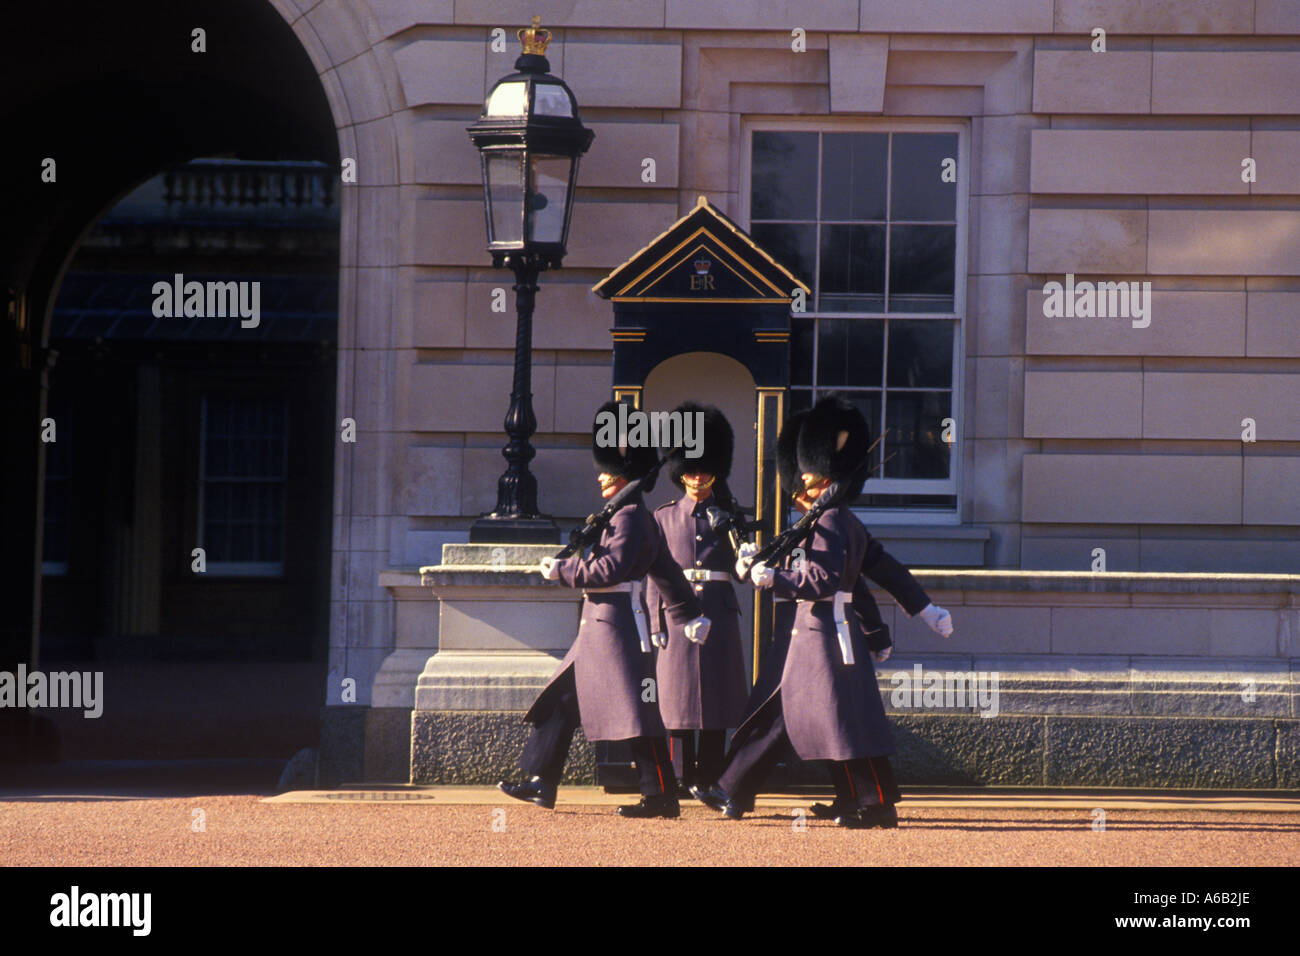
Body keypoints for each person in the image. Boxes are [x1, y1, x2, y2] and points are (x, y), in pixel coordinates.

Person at [699, 395, 952, 828]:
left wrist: (772, 579)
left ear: (825, 478)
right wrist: (754, 563)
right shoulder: (831, 521)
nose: (801, 489)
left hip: (823, 635)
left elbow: (825, 581)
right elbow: (874, 571)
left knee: (832, 720)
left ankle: (870, 803)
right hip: (819, 634)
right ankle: (840, 797)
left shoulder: (830, 522)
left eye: (809, 479)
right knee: (826, 719)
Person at [498, 401, 711, 819]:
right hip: (598, 630)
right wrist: (689, 612)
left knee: (636, 713)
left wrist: (563, 570)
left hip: (612, 628)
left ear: (625, 473)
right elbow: (666, 571)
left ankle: (662, 795)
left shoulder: (630, 518)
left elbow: (612, 569)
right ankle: (543, 781)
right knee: (562, 703)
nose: (600, 476)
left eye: (608, 470)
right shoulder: (627, 516)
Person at [644, 403, 750, 796]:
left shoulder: (729, 516)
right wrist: (656, 624)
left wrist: (747, 555)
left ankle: (709, 776)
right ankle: (676, 775)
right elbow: (655, 574)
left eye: (704, 469)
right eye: (690, 470)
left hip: (719, 610)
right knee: (676, 698)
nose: (697, 476)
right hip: (675, 613)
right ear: (679, 472)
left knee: (716, 697)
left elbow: (743, 568)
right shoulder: (664, 516)